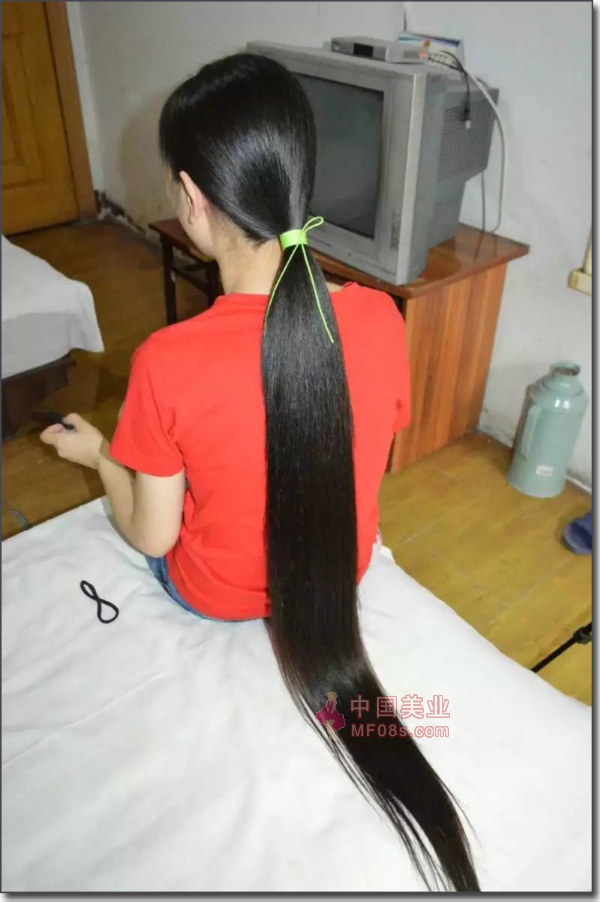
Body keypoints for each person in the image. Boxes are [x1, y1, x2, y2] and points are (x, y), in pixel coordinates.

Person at [41, 53, 478, 891]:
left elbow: (153, 536)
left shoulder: (168, 360)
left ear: (191, 198)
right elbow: (361, 454)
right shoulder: (380, 318)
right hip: (341, 570)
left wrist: (100, 456)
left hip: (216, 595)